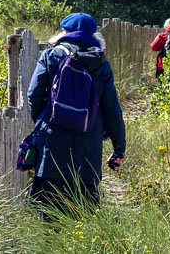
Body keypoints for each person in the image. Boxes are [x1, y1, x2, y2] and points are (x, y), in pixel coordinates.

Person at [27, 12, 126, 216]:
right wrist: (119, 148)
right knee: (82, 217)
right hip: (87, 151)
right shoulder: (101, 64)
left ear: (65, 32)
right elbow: (113, 109)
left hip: (52, 148)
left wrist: (43, 122)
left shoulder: (51, 55)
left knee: (49, 217)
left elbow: (33, 95)